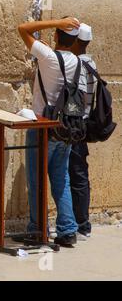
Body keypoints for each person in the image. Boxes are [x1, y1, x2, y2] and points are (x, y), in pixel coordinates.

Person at [18, 17, 80, 247]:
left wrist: (56, 21)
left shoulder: (48, 56)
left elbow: (22, 29)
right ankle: (67, 229)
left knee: (36, 180)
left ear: (56, 36)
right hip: (66, 127)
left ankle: (37, 229)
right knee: (61, 178)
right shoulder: (77, 62)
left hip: (42, 125)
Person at [69, 23, 97, 240]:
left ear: (77, 41)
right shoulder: (91, 63)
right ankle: (82, 222)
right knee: (80, 174)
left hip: (75, 127)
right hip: (84, 125)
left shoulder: (78, 65)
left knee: (75, 174)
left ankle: (80, 224)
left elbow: (75, 102)